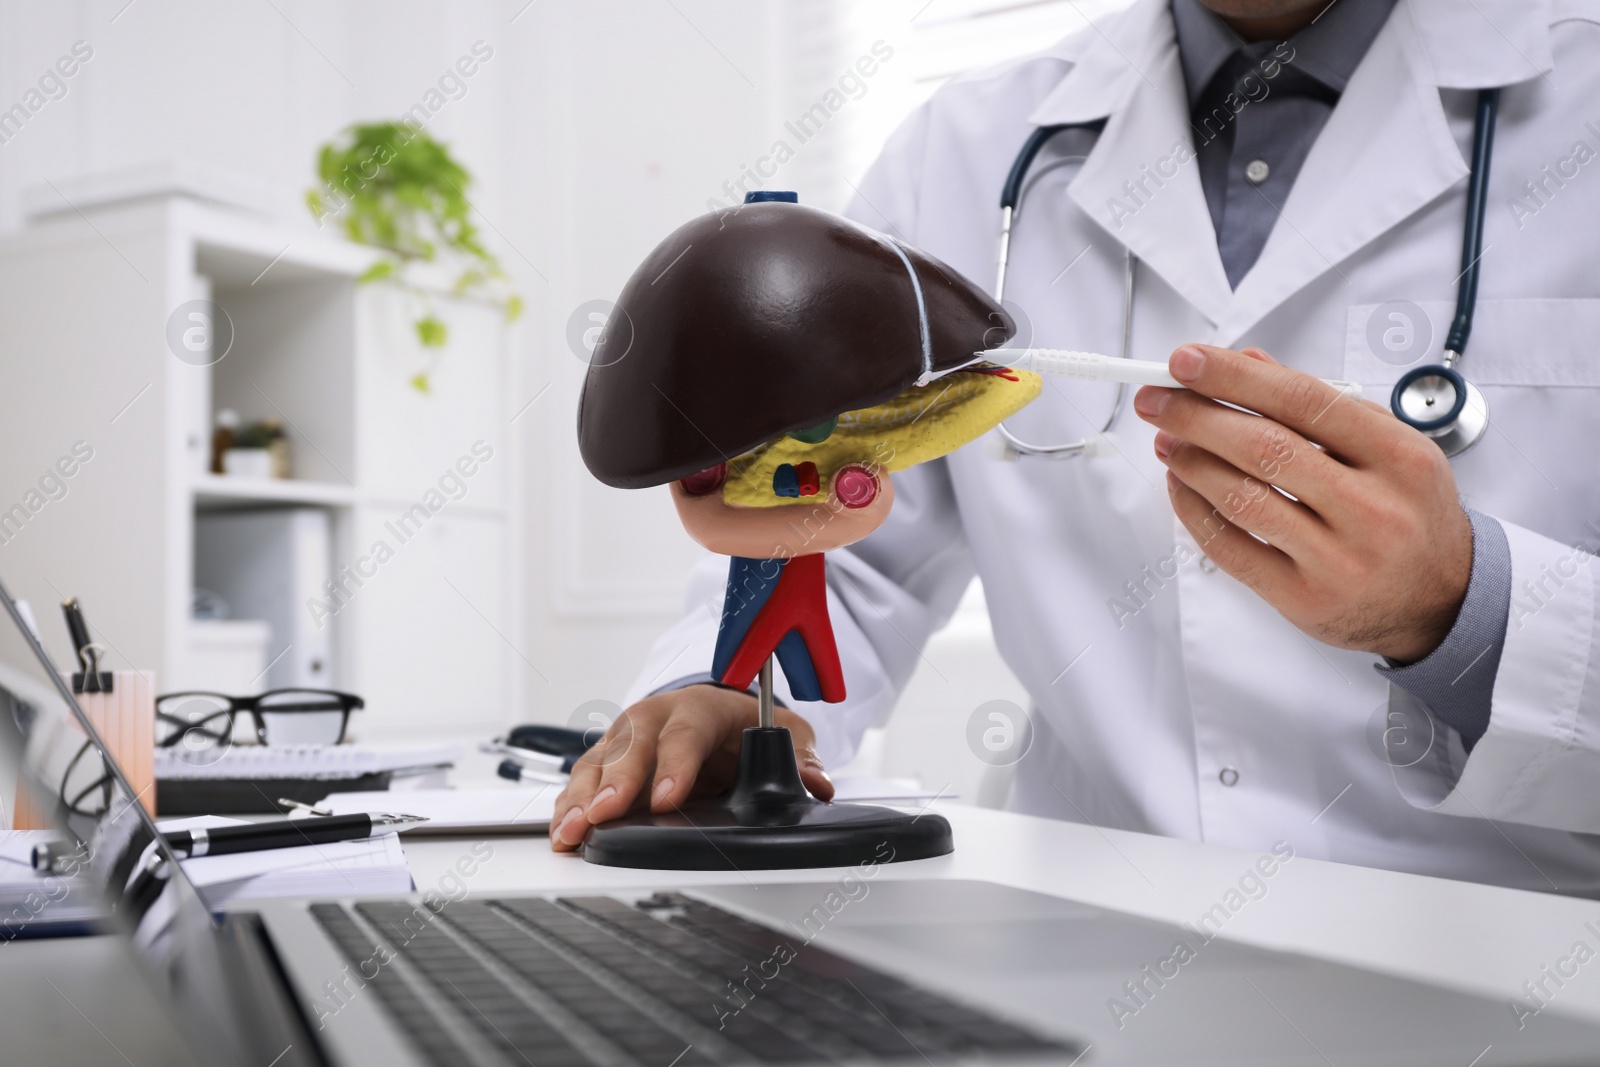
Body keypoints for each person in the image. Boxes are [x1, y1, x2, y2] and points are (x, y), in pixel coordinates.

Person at [554, 0, 1600, 894]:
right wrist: (719, 690)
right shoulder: (963, 146)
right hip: (1086, 937)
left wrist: (1463, 611)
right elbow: (844, 538)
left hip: (1501, 953)